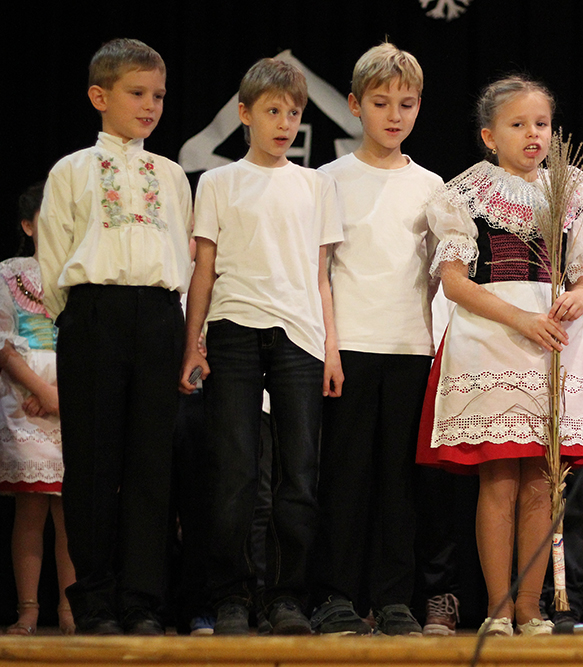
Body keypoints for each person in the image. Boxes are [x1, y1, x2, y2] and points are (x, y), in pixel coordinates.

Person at [417, 75, 583, 637]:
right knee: (499, 479)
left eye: (541, 124)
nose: (533, 135)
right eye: (518, 124)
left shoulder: (574, 191)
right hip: (493, 339)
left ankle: (530, 605)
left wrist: (580, 295)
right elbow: (455, 281)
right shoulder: (466, 193)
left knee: (544, 481)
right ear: (489, 135)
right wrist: (519, 316)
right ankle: (498, 607)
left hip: (555, 342)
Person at [179, 57, 343, 635]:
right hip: (234, 330)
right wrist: (192, 344)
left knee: (298, 474)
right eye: (273, 111)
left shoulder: (316, 184)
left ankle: (286, 596)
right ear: (245, 114)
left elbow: (322, 276)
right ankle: (230, 594)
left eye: (293, 113)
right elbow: (203, 271)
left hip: (300, 337)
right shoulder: (218, 182)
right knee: (234, 471)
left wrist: (332, 349)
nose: (284, 123)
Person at [36, 38, 192, 635]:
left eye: (158, 95)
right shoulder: (73, 170)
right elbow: (54, 256)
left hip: (158, 315)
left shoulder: (170, 174)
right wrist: (76, 319)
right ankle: (96, 600)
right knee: (94, 462)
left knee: (152, 465)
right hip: (93, 314)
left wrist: (180, 329)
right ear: (100, 97)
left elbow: (180, 254)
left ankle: (143, 600)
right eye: (137, 93)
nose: (150, 106)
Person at [309, 42, 443, 637]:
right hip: (349, 349)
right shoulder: (328, 180)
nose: (394, 115)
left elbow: (441, 276)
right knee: (344, 477)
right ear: (354, 104)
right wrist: (329, 348)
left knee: (399, 483)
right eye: (381, 102)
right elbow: (319, 273)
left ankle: (393, 599)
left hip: (411, 349)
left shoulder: (433, 185)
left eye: (406, 104)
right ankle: (335, 594)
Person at [1, 183, 76, 635]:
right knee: (30, 511)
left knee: (73, 513)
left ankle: (70, 612)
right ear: (28, 226)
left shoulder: (81, 271)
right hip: (24, 402)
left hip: (75, 396)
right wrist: (40, 391)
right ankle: (28, 611)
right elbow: (3, 343)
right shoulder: (9, 273)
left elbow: (92, 341)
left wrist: (61, 392)